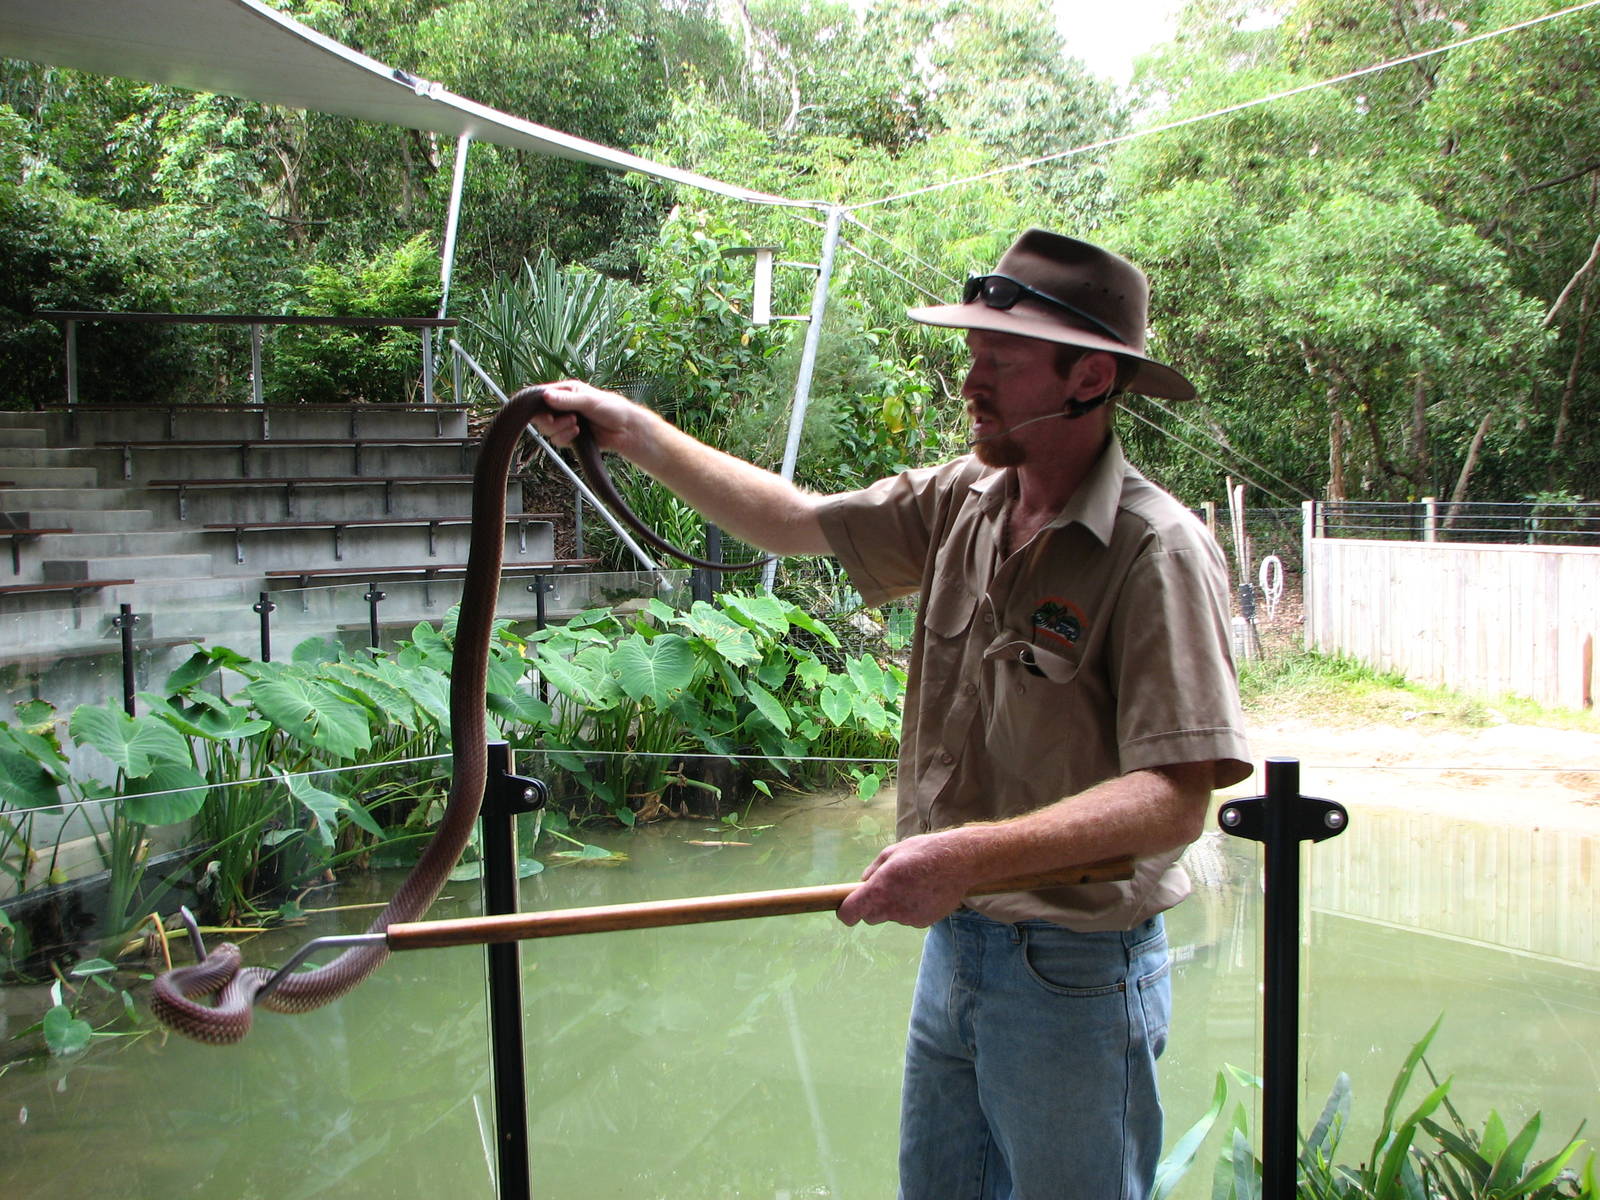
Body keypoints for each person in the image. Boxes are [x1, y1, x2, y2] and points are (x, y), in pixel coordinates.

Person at [531, 228, 1251, 1200]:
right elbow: (790, 520)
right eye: (971, 352)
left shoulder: (1155, 549)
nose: (970, 380)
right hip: (955, 950)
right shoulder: (962, 500)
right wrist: (627, 430)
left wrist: (962, 857)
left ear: (1087, 377)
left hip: (1075, 976)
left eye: (1000, 359)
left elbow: (1173, 799)